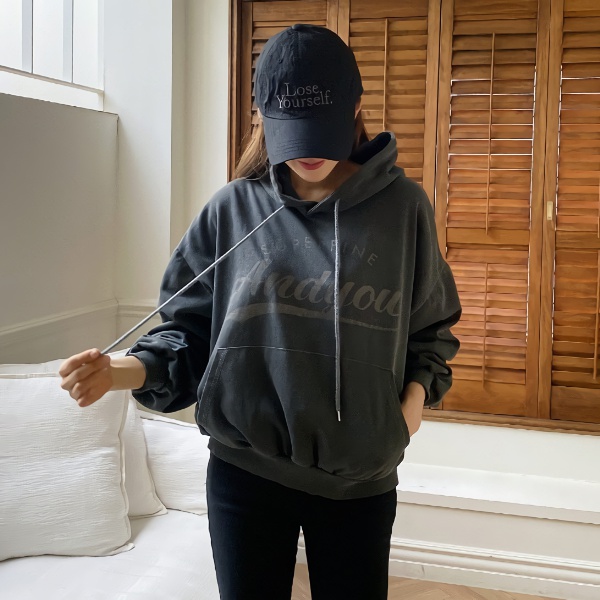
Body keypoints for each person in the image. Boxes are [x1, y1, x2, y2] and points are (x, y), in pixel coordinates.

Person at [59, 24, 461, 600]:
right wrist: (121, 370)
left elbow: (431, 329)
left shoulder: (402, 209)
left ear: (356, 108)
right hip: (244, 474)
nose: (309, 152)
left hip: (359, 482)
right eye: (291, 131)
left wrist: (410, 405)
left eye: (321, 129)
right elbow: (191, 332)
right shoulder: (232, 209)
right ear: (262, 118)